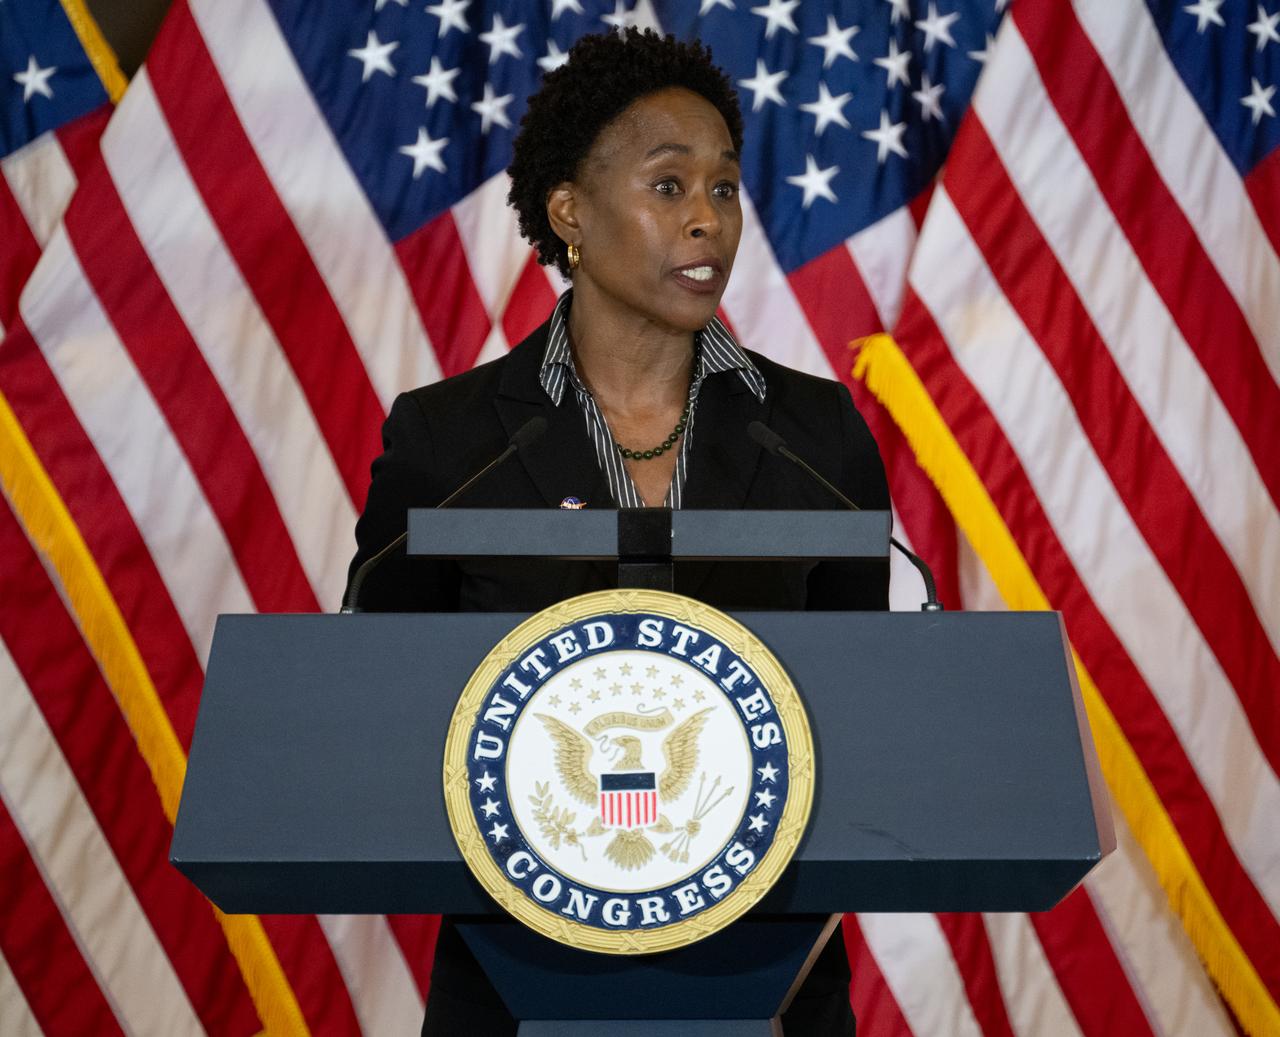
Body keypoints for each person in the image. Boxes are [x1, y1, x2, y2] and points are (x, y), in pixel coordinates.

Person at [347, 28, 888, 1036]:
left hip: (767, 984)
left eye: (723, 189)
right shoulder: (448, 441)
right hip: (516, 979)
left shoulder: (815, 434)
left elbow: (864, 704)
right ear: (570, 213)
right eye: (668, 186)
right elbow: (374, 700)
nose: (706, 220)